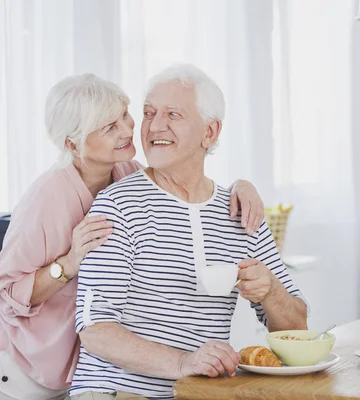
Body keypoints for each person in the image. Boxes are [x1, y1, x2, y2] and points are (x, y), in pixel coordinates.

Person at [0, 74, 265, 400]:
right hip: (28, 364)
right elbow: (7, 289)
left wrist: (240, 186)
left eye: (125, 115)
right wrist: (68, 264)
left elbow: (187, 179)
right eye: (109, 127)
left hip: (79, 361)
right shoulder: (46, 198)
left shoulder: (127, 172)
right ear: (73, 144)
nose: (128, 130)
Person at [69, 64, 308, 400]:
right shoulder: (117, 206)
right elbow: (95, 330)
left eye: (173, 114)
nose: (154, 126)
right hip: (114, 392)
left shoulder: (242, 211)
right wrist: (184, 362)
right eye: (149, 113)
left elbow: (297, 329)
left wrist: (270, 291)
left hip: (198, 394)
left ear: (210, 133)